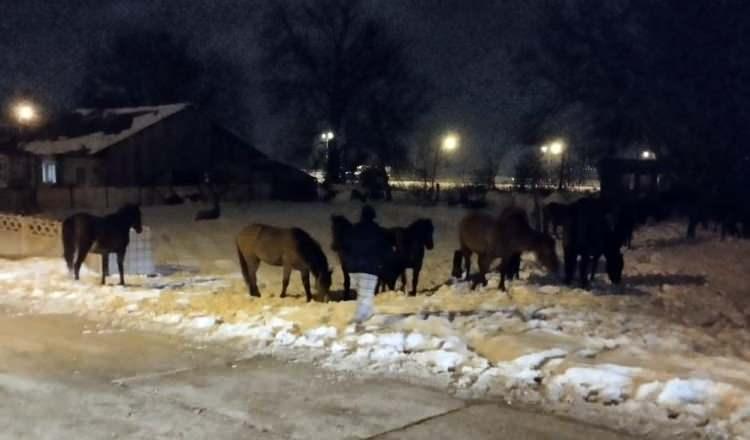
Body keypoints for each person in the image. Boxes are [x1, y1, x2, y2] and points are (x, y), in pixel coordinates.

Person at [342, 205, 391, 323]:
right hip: (369, 268)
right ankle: (358, 323)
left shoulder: (353, 229)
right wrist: (383, 262)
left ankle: (368, 318)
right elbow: (385, 249)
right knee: (366, 298)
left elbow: (344, 247)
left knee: (362, 297)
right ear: (373, 217)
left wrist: (348, 262)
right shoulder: (377, 231)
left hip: (353, 269)